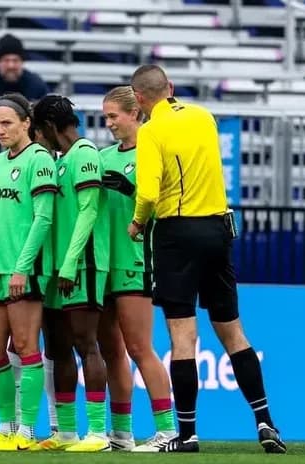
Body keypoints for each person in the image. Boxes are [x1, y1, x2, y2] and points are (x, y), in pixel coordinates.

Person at [127, 64, 285, 454]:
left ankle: (188, 434)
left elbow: (148, 193)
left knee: (184, 337)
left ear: (141, 100)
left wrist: (136, 224)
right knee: (233, 332)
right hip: (217, 230)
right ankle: (265, 422)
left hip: (177, 233)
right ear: (172, 88)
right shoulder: (203, 116)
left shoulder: (150, 130)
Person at [0, 92, 56, 451]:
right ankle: (5, 428)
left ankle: (28, 431)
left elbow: (43, 218)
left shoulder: (40, 160)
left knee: (25, 345)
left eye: (6, 123)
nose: (0, 130)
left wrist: (23, 268)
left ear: (26, 123)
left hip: (25, 269)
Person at [96, 86, 178, 452]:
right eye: (106, 116)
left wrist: (130, 189)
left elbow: (165, 206)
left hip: (135, 261)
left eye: (114, 116)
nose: (109, 123)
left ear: (135, 113)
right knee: (111, 350)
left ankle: (167, 430)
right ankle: (121, 434)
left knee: (140, 347)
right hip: (104, 264)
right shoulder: (102, 157)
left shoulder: (153, 151)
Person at [29, 94, 110, 452]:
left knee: (85, 344)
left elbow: (89, 212)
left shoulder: (86, 154)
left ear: (48, 127)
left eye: (37, 128)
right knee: (57, 348)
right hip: (57, 269)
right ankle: (65, 432)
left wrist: (72, 261)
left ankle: (98, 433)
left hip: (84, 264)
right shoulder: (59, 162)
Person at [0, 34, 49, 102]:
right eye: (6, 60)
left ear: (22, 61)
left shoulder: (36, 85)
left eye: (15, 60)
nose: (10, 66)